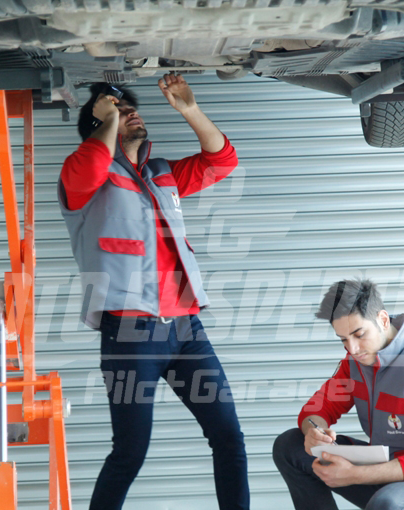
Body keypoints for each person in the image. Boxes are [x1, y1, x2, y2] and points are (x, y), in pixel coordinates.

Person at [58, 75, 249, 510]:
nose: (131, 113)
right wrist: (106, 120)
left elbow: (222, 160)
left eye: (131, 109)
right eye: (119, 111)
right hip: (130, 336)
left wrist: (190, 110)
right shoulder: (84, 176)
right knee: (129, 453)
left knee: (228, 437)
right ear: (100, 124)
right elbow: (91, 164)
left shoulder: (162, 173)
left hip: (186, 331)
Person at [273, 279, 404, 510]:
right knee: (290, 446)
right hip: (386, 466)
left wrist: (353, 474)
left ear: (383, 319)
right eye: (344, 339)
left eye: (359, 334)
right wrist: (314, 432)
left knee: (386, 504)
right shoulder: (357, 362)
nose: (352, 348)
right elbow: (318, 408)